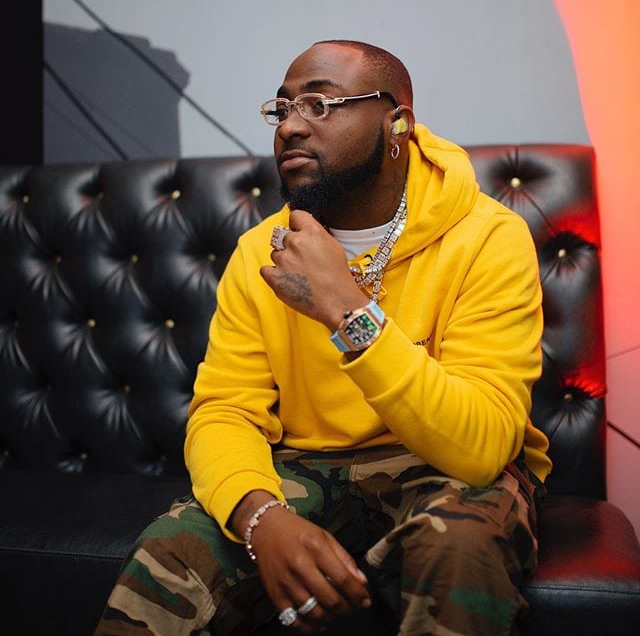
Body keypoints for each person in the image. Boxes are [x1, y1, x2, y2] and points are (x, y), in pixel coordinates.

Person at [95, 40, 551, 636]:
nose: (290, 126)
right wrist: (261, 518)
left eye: (319, 105)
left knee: (461, 542)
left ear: (396, 124)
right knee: (171, 550)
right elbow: (225, 412)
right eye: (282, 109)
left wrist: (345, 308)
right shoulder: (260, 252)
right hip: (305, 464)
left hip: (443, 463)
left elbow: (481, 446)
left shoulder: (488, 237)